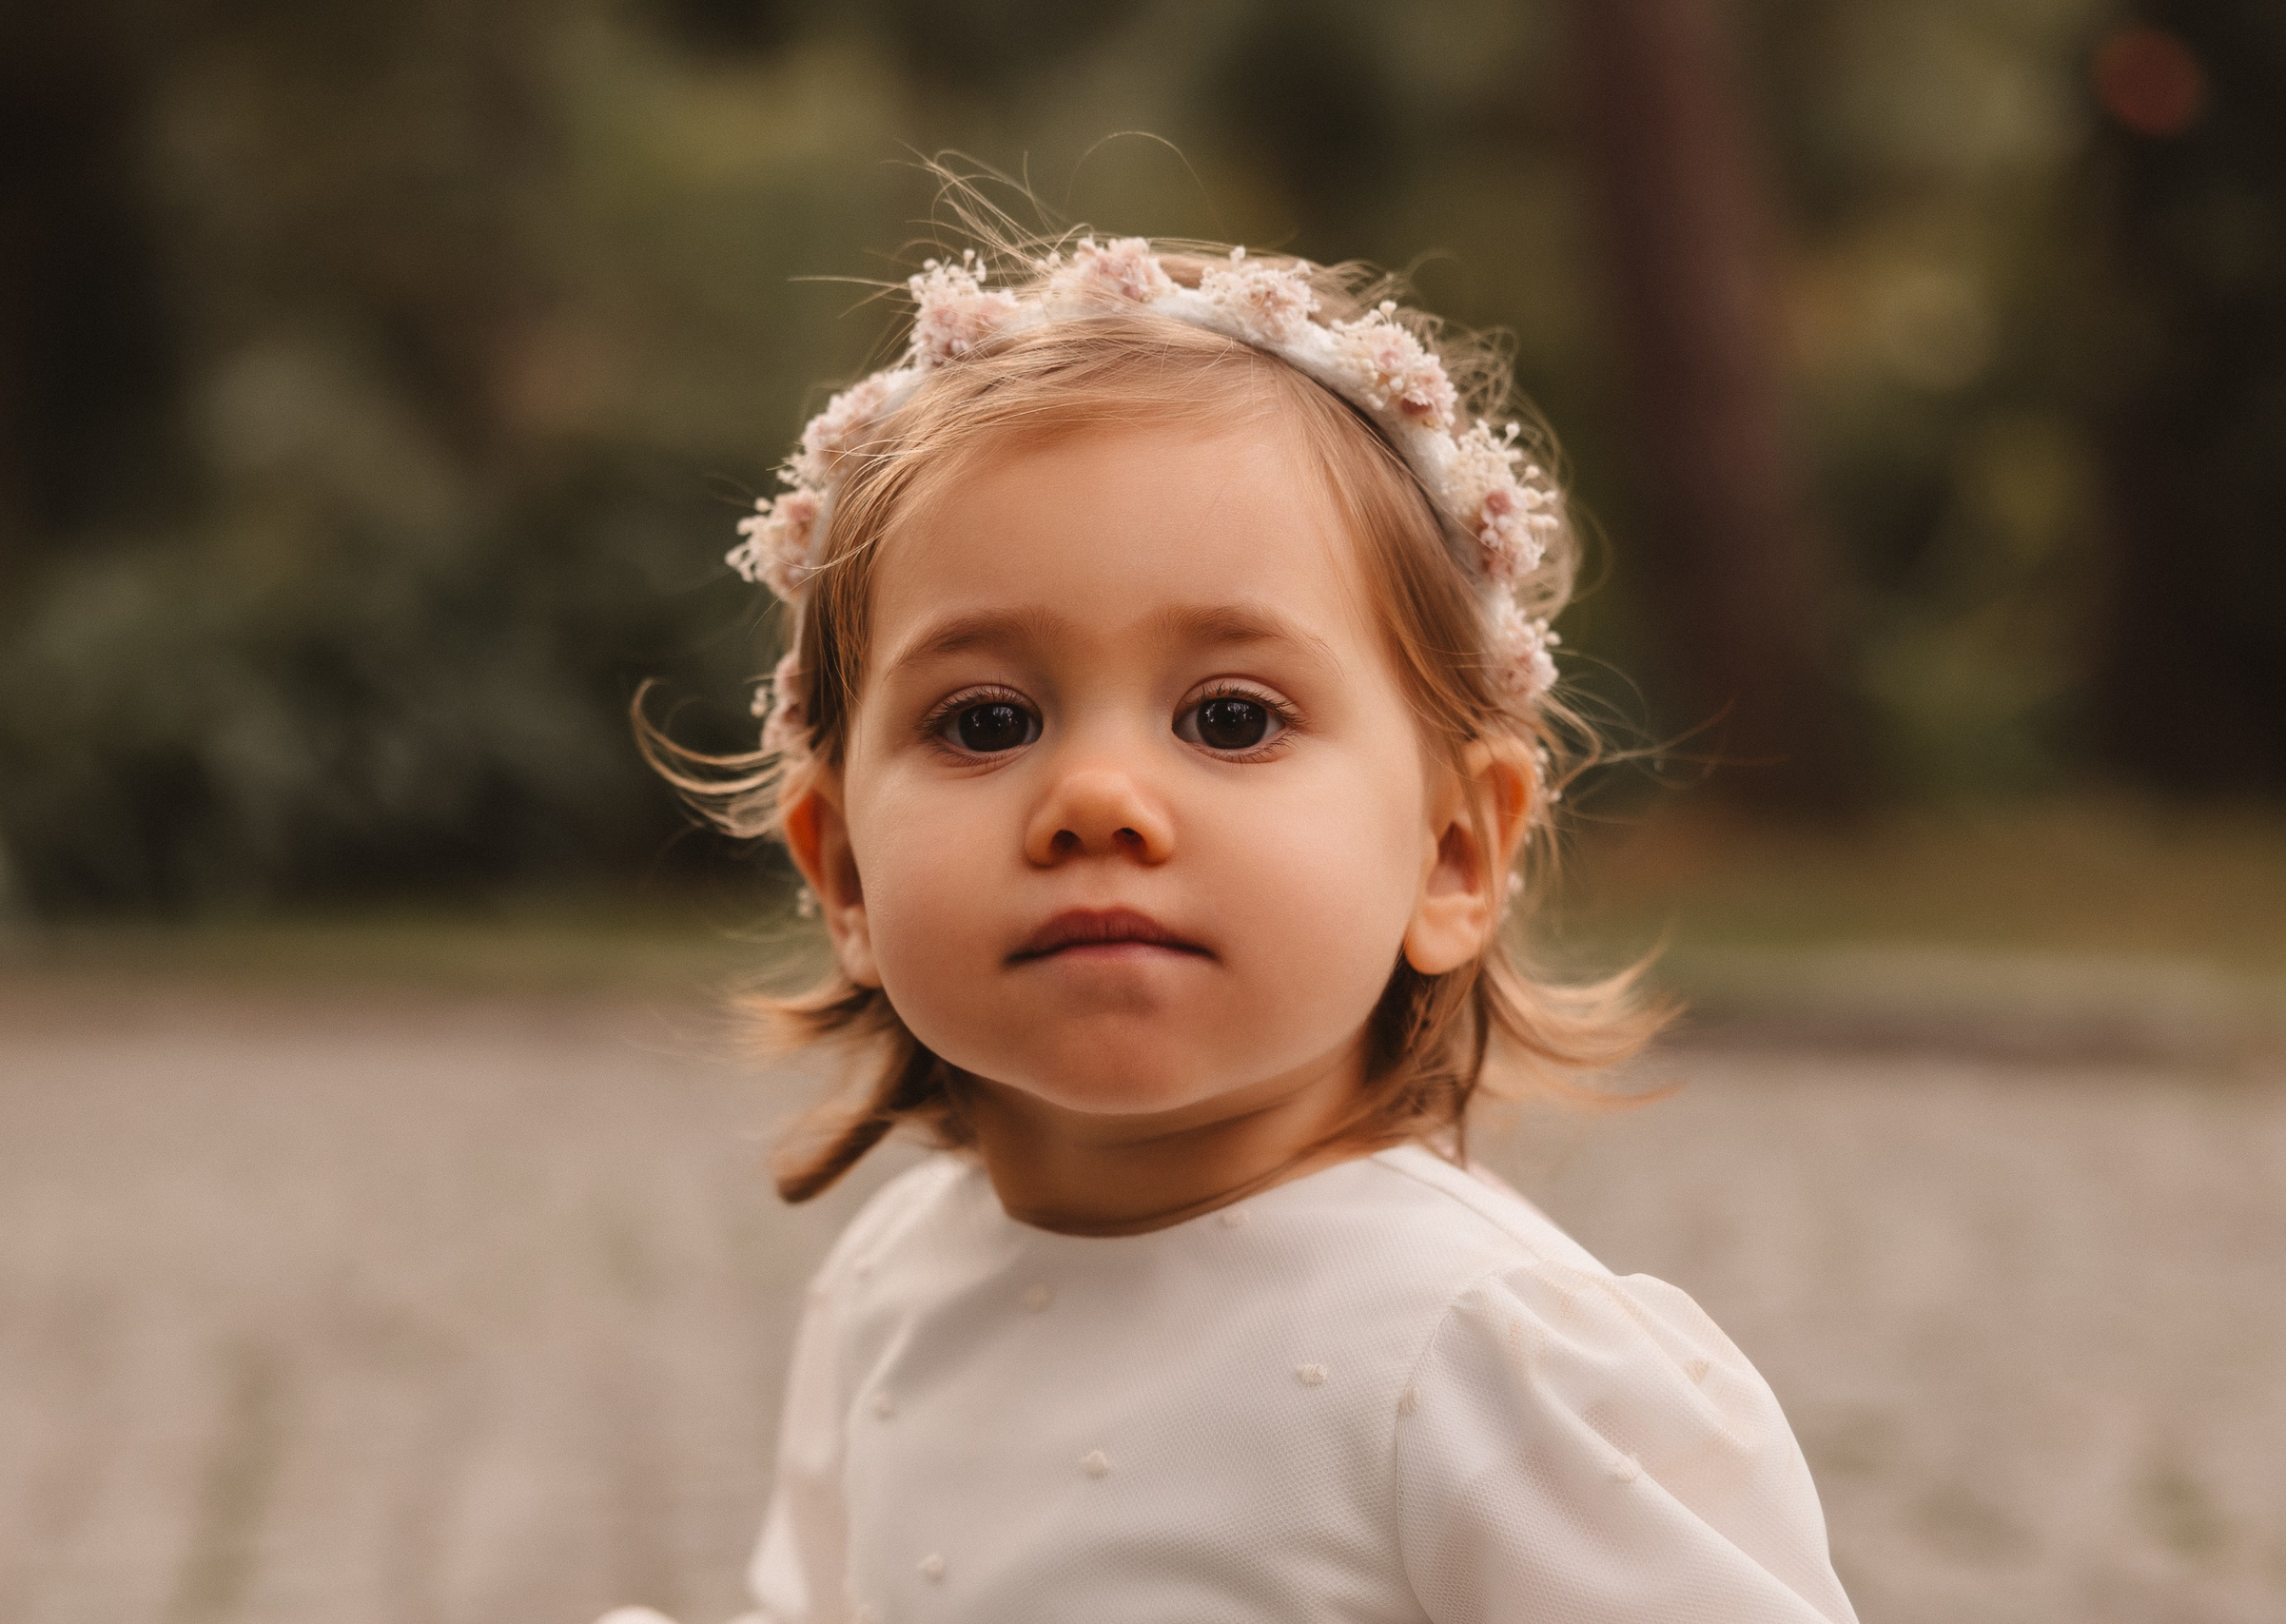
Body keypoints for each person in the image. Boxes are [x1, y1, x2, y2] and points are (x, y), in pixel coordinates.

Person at [633, 202, 1859, 1624]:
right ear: (840, 870)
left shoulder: (1476, 1354)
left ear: (1454, 854)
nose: (1096, 796)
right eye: (986, 720)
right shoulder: (890, 1286)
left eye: (1227, 716)